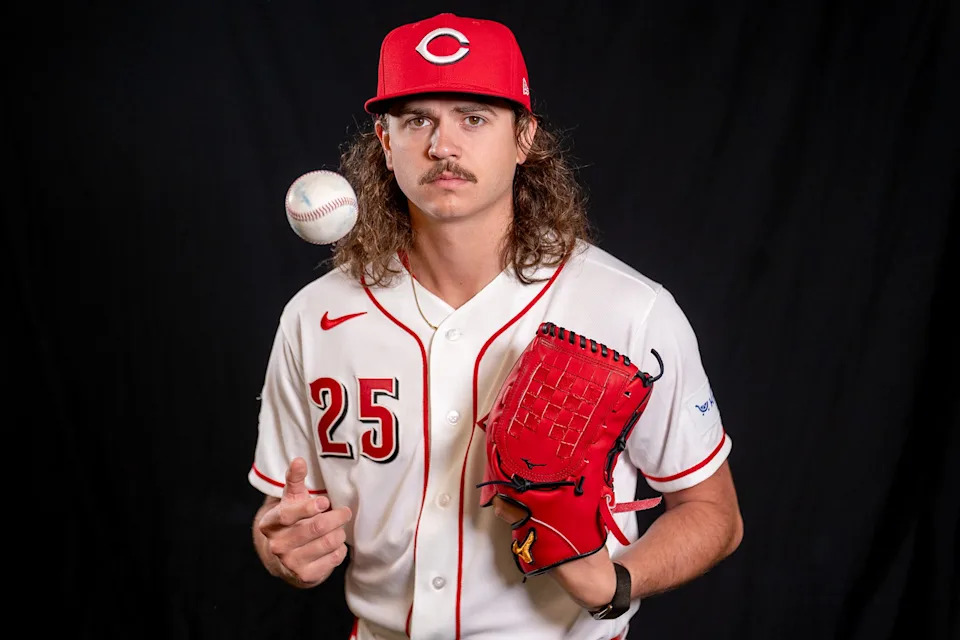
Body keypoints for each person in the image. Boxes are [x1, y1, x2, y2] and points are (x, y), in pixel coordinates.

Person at [249, 12, 743, 640]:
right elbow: (281, 511)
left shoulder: (627, 310)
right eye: (417, 119)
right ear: (383, 138)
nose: (442, 145)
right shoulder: (315, 316)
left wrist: (617, 584)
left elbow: (713, 511)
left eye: (473, 117)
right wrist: (283, 548)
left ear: (524, 137)